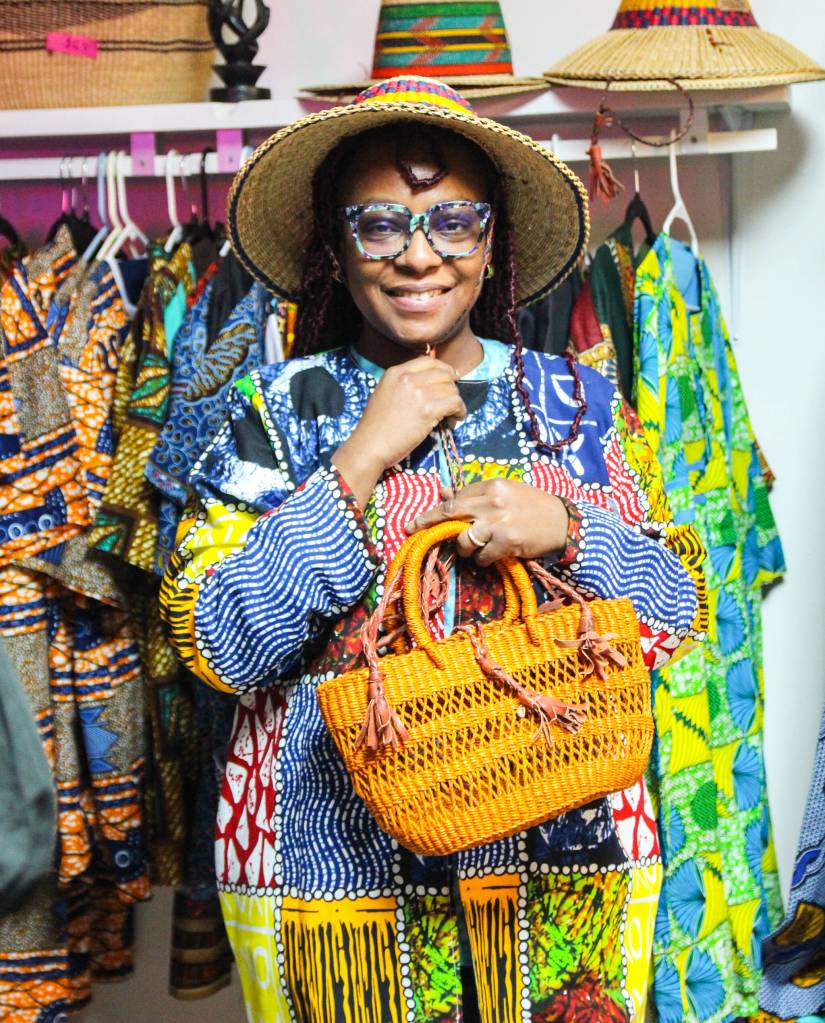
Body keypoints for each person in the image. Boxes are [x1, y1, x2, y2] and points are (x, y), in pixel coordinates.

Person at [161, 76, 706, 1023]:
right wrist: (354, 465)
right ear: (336, 245)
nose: (419, 255)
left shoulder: (575, 404)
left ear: (491, 241)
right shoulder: (274, 411)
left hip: (562, 877)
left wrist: (570, 534)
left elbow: (678, 613)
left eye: (453, 221)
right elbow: (216, 647)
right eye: (379, 224)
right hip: (328, 889)